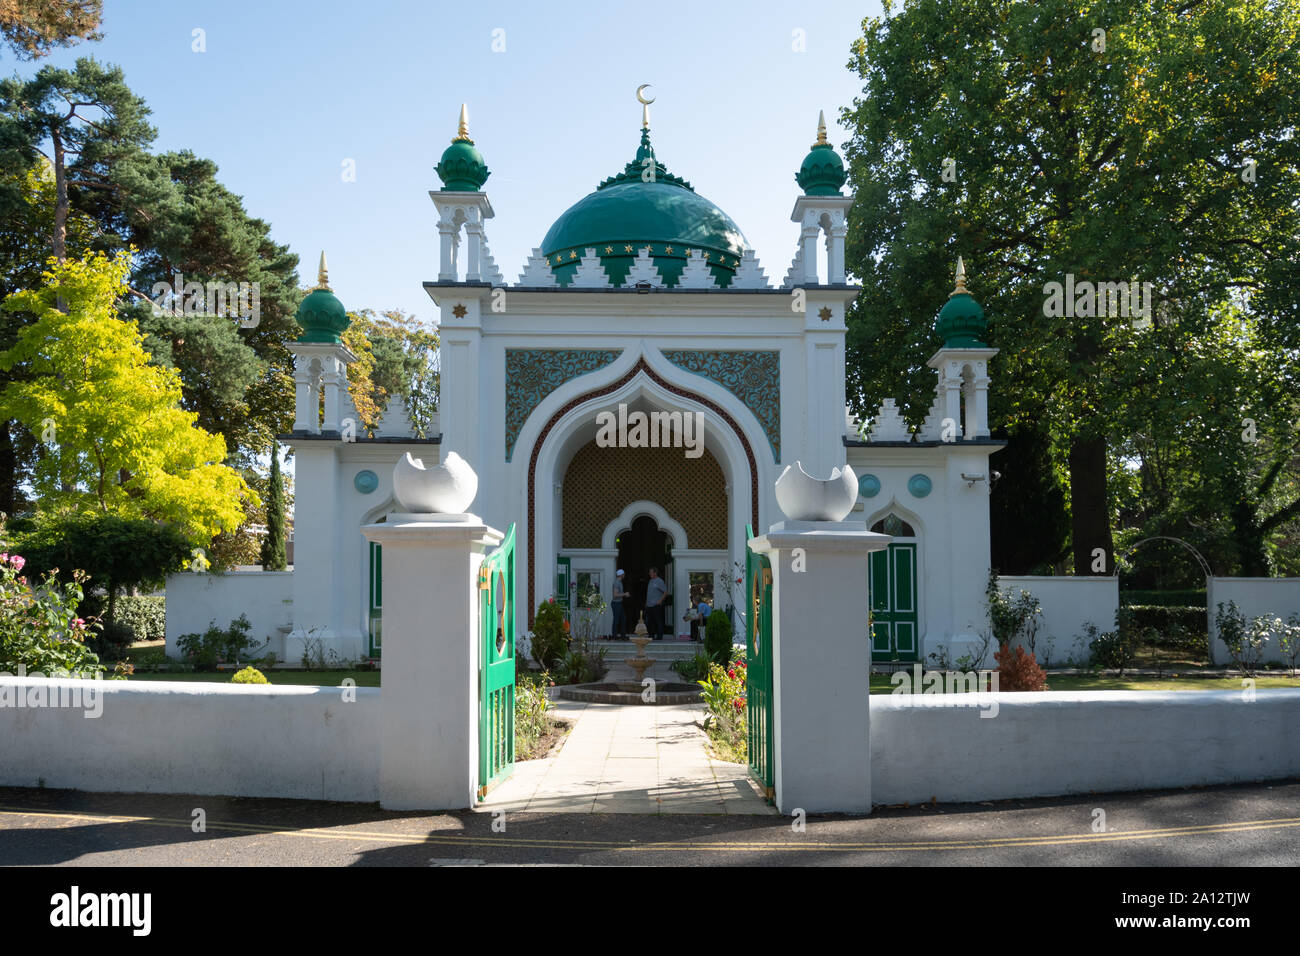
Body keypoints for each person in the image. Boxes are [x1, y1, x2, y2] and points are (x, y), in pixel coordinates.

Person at [645, 566, 667, 640]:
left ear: (655, 573)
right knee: (650, 621)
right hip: (649, 605)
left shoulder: (659, 581)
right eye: (649, 572)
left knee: (658, 620)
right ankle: (651, 635)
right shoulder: (650, 581)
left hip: (656, 605)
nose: (649, 574)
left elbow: (665, 592)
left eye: (651, 572)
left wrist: (660, 601)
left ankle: (659, 636)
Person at [611, 569, 628, 639]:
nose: (624, 575)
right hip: (616, 604)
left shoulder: (619, 582)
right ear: (621, 575)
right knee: (617, 620)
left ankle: (623, 635)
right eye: (623, 574)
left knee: (623, 619)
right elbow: (615, 595)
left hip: (619, 603)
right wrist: (625, 594)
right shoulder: (617, 583)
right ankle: (614, 636)